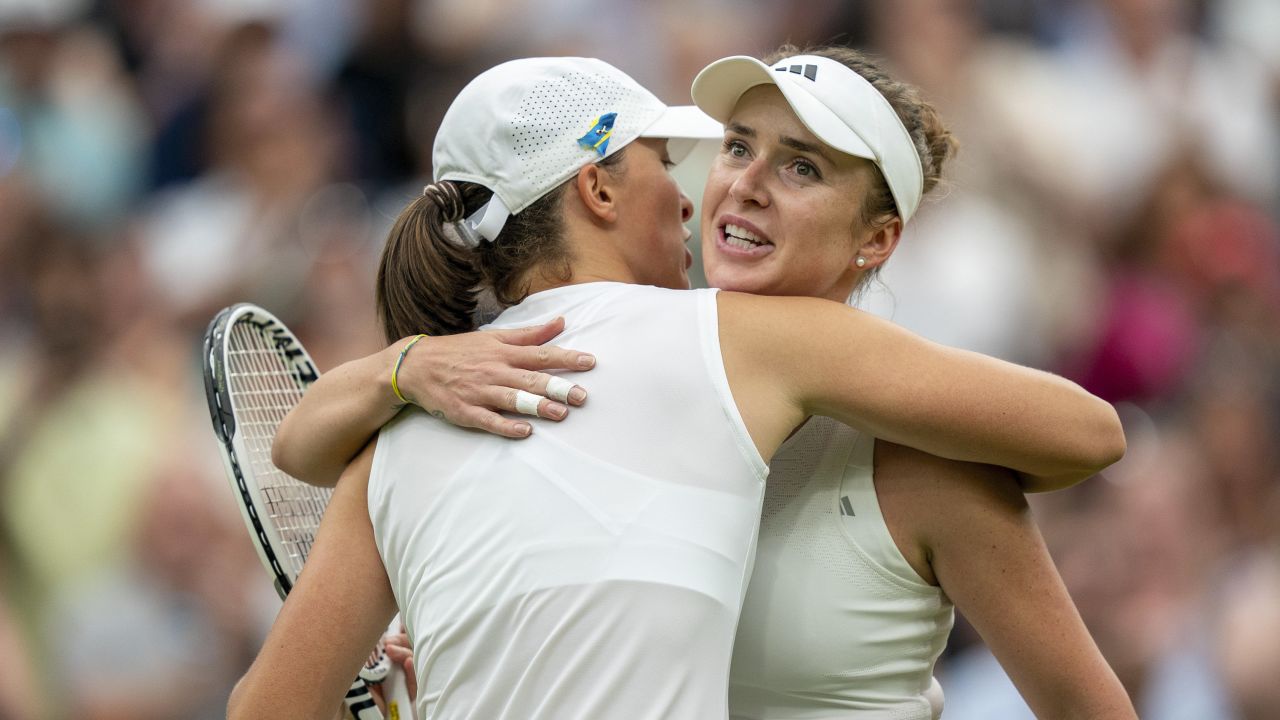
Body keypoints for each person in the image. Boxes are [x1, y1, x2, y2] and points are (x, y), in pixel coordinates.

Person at [235, 54, 1126, 719]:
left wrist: (397, 371)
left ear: (879, 238)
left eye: (803, 166)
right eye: (726, 149)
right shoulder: (707, 349)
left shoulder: (412, 421)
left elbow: (1091, 438)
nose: (725, 188)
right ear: (598, 190)